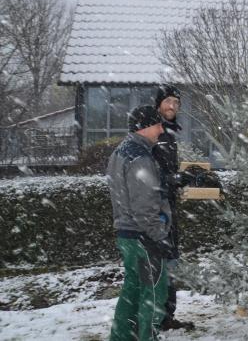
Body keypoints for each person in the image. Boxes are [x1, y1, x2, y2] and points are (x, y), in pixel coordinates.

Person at [106, 105, 173, 341]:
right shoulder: (140, 158)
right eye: (158, 125)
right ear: (145, 127)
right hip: (144, 238)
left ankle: (122, 337)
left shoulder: (121, 152)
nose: (161, 130)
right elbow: (144, 205)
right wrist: (159, 236)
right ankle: (146, 337)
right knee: (153, 293)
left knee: (132, 292)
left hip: (127, 235)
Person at [153, 84, 195, 331]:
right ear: (158, 103)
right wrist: (170, 180)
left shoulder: (168, 134)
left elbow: (166, 170)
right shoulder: (151, 132)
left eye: (176, 103)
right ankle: (154, 318)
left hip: (168, 207)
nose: (172, 106)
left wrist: (182, 178)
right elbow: (145, 174)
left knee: (171, 262)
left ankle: (167, 317)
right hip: (155, 211)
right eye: (168, 101)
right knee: (158, 265)